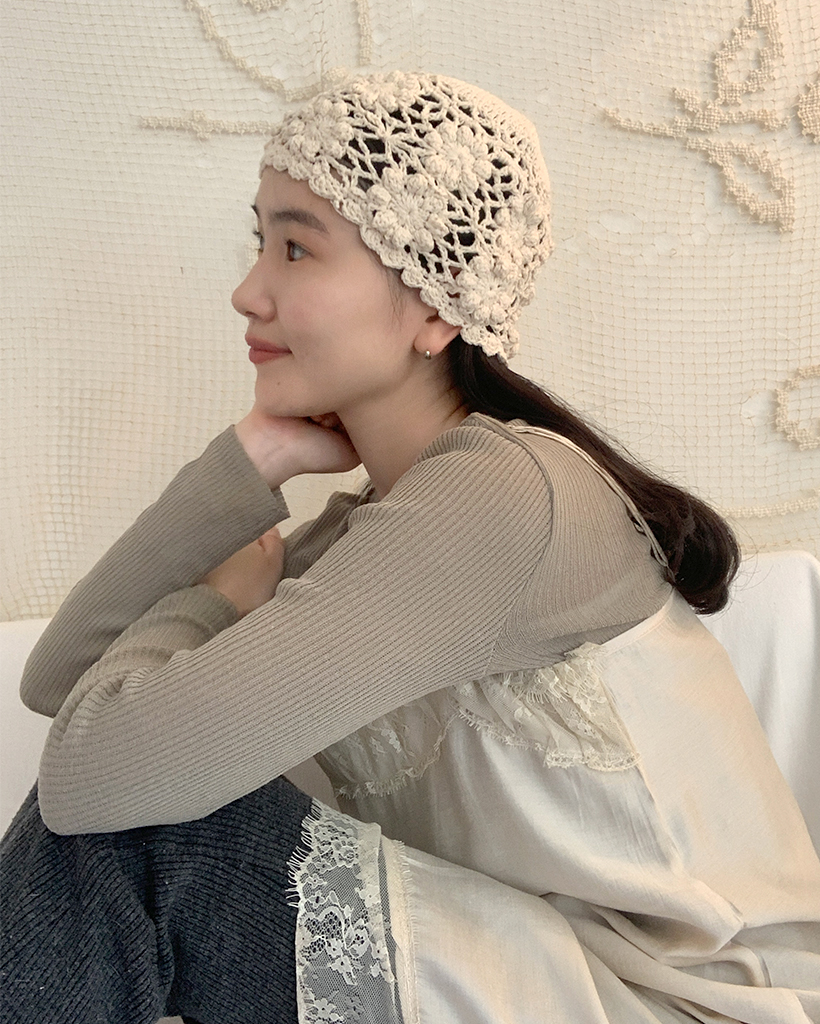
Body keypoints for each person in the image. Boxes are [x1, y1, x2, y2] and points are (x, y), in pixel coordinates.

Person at [2, 71, 819, 1024]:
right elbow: (59, 681)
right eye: (259, 243)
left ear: (436, 306)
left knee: (144, 837)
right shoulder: (373, 530)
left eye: (296, 248)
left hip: (670, 1008)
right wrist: (249, 461)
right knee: (133, 815)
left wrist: (217, 603)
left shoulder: (503, 497)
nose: (247, 291)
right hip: (529, 980)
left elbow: (87, 779)